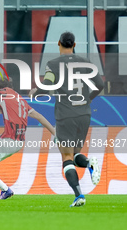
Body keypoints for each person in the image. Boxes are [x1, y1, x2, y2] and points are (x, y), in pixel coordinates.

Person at [29, 31, 104, 207]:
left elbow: (47, 85)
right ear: (74, 44)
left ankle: (79, 195)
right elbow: (99, 85)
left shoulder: (53, 64)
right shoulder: (87, 63)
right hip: (84, 113)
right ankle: (88, 164)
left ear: (58, 43)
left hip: (65, 114)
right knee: (75, 153)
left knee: (66, 157)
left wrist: (35, 91)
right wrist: (88, 98)